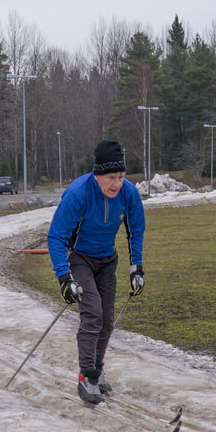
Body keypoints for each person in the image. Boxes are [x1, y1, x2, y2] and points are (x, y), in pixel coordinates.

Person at [46, 139, 146, 405]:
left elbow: (136, 230)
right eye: (111, 177)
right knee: (92, 315)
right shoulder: (79, 193)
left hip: (107, 261)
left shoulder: (129, 193)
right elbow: (56, 237)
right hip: (80, 259)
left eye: (121, 176)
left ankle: (97, 371)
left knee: (107, 319)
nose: (117, 183)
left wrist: (136, 268)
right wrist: (64, 278)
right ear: (97, 174)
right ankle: (86, 376)